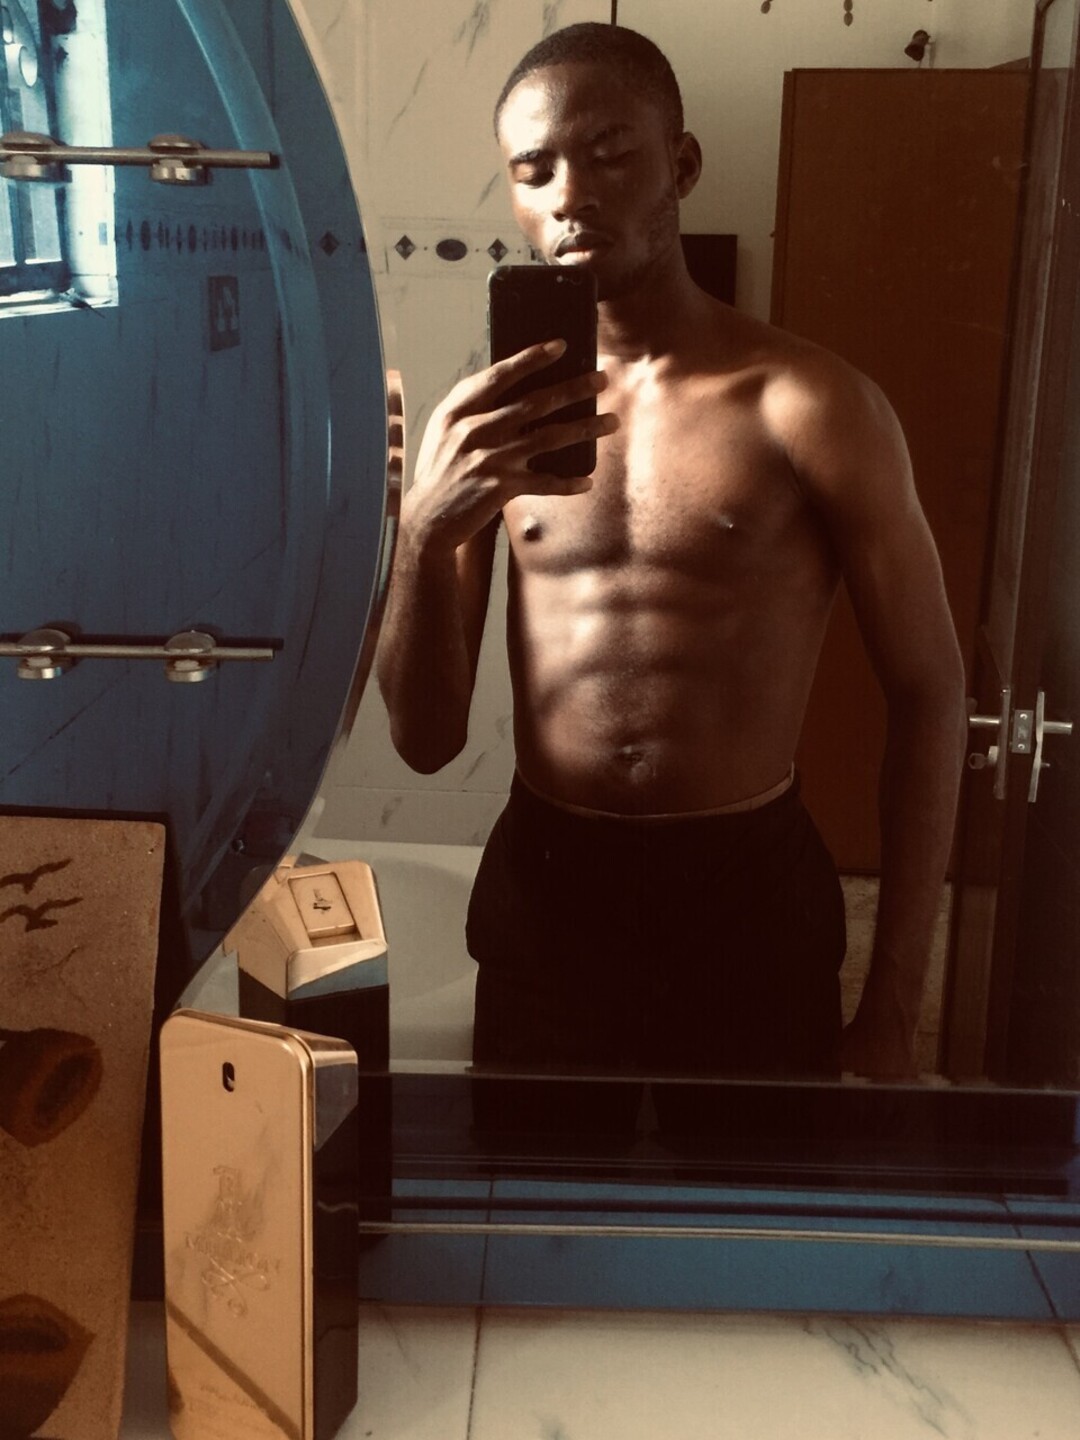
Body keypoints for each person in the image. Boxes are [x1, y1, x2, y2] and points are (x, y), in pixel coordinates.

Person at [376, 23, 967, 1087]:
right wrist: (423, 531)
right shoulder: (486, 431)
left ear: (680, 165)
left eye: (609, 154)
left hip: (748, 893)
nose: (569, 195)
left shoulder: (811, 403)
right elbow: (424, 742)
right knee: (532, 1194)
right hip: (548, 890)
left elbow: (930, 694)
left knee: (756, 1191)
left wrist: (893, 1005)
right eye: (533, 170)